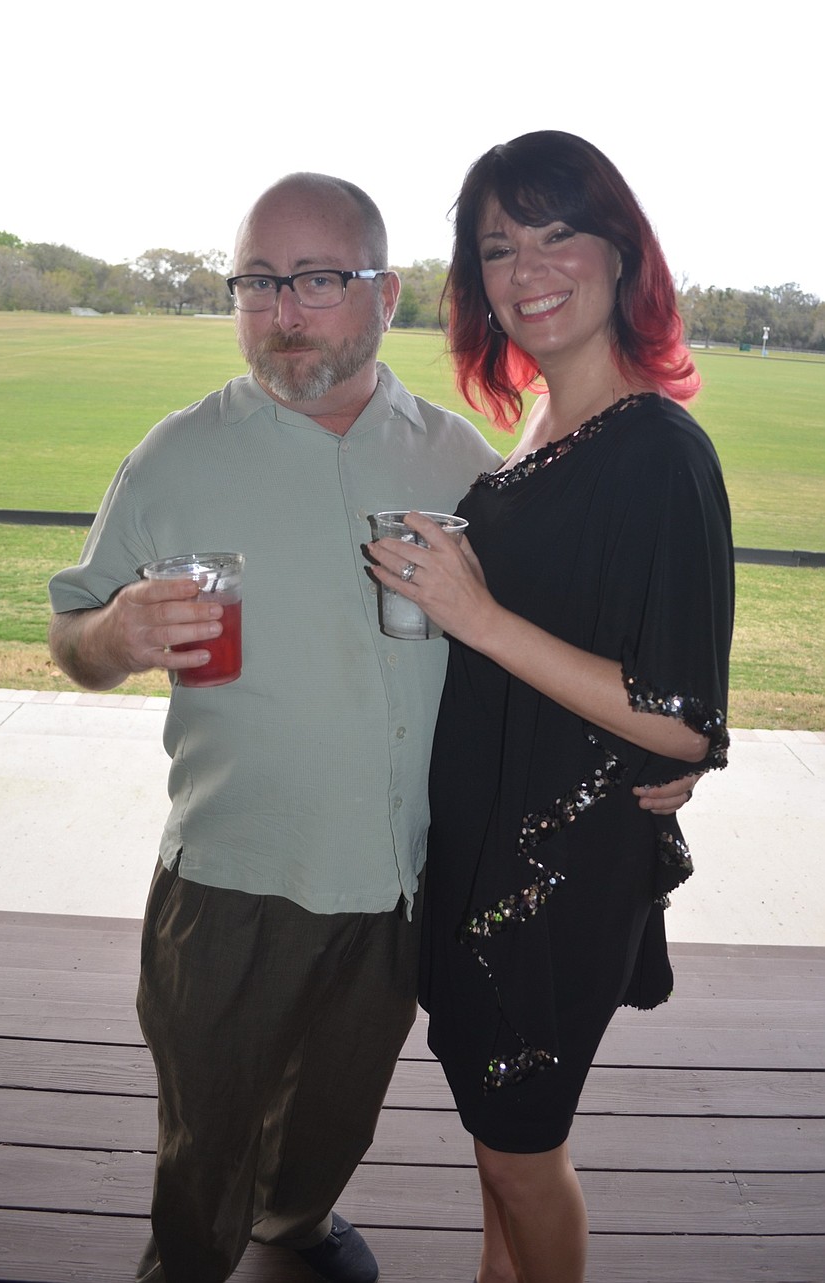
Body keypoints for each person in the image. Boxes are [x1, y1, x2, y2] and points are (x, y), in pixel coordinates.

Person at [47, 172, 502, 1283]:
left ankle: (293, 1230)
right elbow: (72, 635)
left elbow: (525, 650)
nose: (281, 309)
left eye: (316, 279)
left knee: (337, 1116)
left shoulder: (462, 463)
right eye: (258, 280)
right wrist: (115, 632)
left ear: (385, 293)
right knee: (205, 1138)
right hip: (233, 877)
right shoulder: (176, 455)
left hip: (400, 878)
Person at [367, 131, 733, 1283]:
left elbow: (683, 718)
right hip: (486, 842)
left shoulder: (657, 452)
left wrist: (475, 616)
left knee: (525, 1151)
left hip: (556, 870)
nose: (526, 266)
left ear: (621, 252)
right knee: (492, 1141)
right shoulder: (540, 429)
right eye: (496, 246)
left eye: (556, 230)